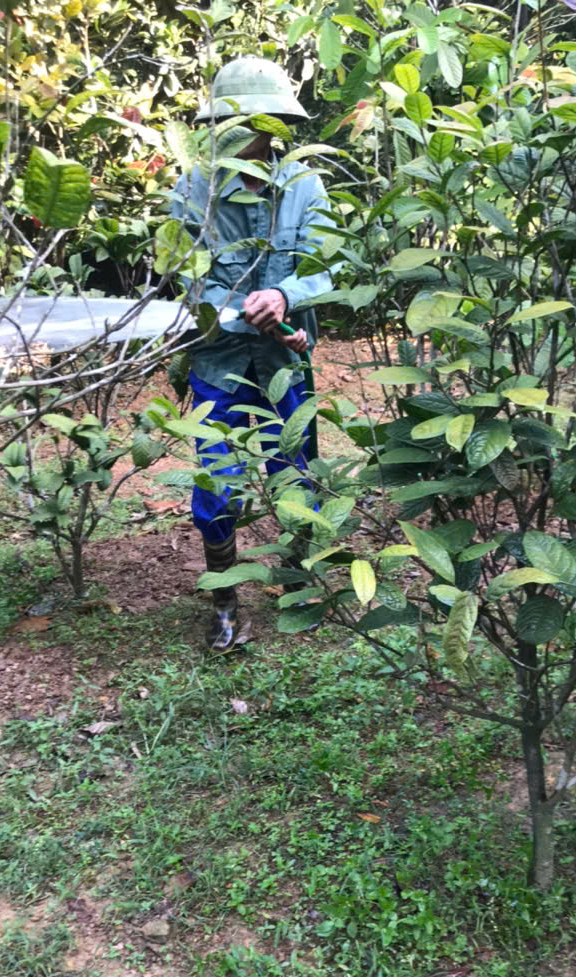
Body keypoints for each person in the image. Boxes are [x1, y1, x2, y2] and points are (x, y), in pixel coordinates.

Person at [169, 56, 332, 652]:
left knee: (296, 473)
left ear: (277, 125)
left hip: (287, 363)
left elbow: (327, 264)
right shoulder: (193, 191)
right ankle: (225, 604)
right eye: (231, 122)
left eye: (258, 121)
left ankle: (297, 584)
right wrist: (245, 312)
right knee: (217, 482)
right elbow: (188, 278)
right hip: (219, 363)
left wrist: (286, 297)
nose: (245, 133)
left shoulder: (305, 186)